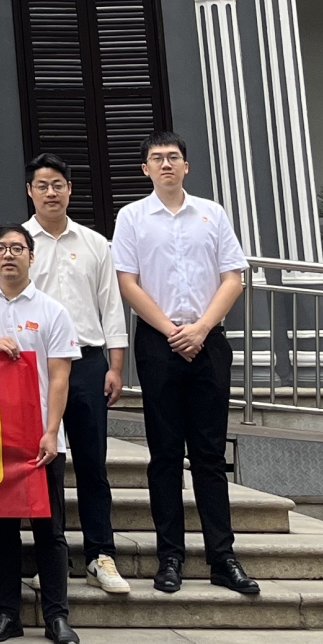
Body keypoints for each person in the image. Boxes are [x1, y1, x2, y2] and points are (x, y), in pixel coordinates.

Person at [113, 134, 259, 599]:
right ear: (145, 169)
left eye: (173, 157)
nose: (165, 164)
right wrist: (171, 331)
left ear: (186, 166)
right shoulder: (132, 216)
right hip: (158, 344)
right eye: (156, 158)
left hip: (208, 341)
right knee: (165, 455)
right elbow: (127, 282)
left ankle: (223, 557)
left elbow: (233, 277)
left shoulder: (211, 213)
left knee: (210, 455)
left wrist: (200, 329)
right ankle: (170, 557)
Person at [0, 224, 82, 644]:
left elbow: (60, 376)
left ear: (32, 256)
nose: (9, 255)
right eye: (0, 248)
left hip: (41, 438)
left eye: (17, 248)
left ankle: (57, 616)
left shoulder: (52, 310)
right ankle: (7, 613)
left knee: (50, 531)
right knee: (0, 530)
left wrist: (51, 431)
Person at [25, 152, 131, 596]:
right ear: (30, 191)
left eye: (58, 185)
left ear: (70, 190)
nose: (51, 192)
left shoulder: (94, 243)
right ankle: (51, 559)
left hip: (87, 362)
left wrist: (116, 365)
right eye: (42, 185)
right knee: (45, 465)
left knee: (92, 463)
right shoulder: (19, 243)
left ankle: (100, 555)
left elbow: (111, 305)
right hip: (36, 366)